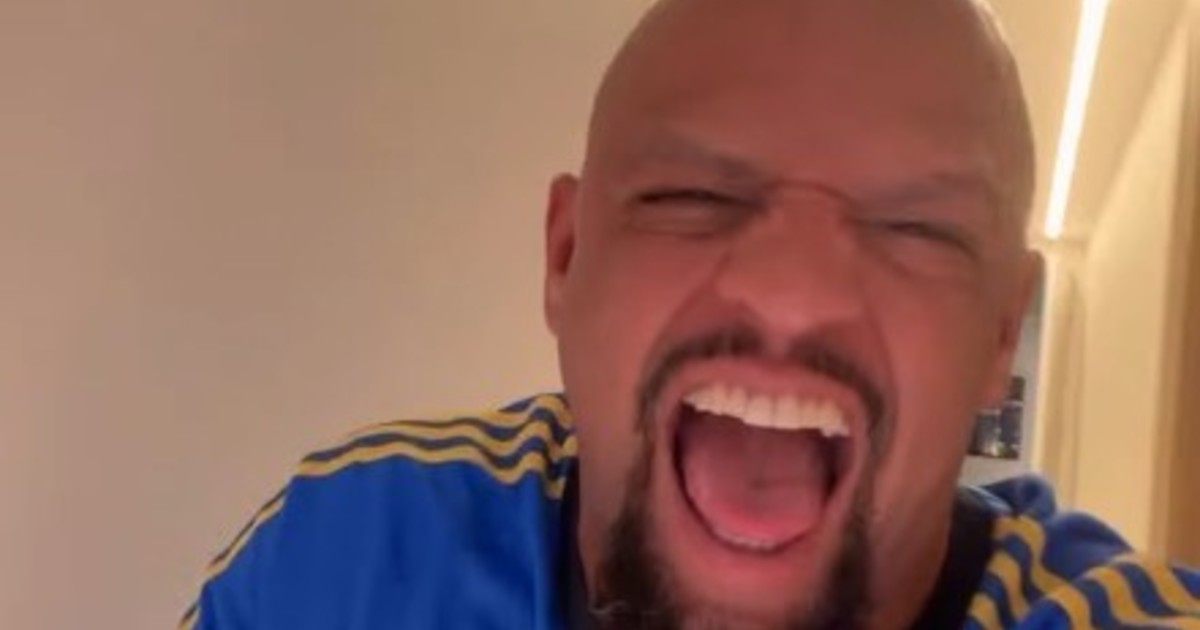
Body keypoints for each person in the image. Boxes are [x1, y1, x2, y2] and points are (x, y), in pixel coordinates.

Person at [180, 0, 1200, 628]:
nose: (794, 292)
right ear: (565, 257)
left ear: (998, 337)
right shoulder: (346, 557)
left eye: (915, 229)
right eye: (691, 197)